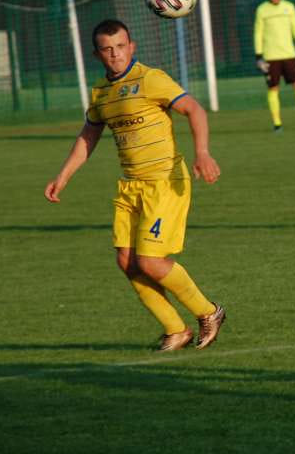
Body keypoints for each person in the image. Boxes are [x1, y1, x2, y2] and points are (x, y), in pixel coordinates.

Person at [44, 19, 226, 352]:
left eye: (121, 46)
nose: (115, 54)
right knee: (126, 261)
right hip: (131, 187)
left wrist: (202, 152)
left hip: (164, 182)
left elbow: (194, 109)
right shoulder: (101, 92)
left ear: (132, 47)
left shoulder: (151, 79)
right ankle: (176, 329)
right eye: (107, 49)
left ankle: (209, 312)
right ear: (97, 54)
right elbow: (89, 135)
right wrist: (63, 176)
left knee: (151, 261)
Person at [253, 0, 295, 132]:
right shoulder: (262, 10)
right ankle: (277, 124)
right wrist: (259, 55)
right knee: (273, 88)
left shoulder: (289, 7)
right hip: (270, 56)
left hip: (289, 55)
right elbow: (258, 33)